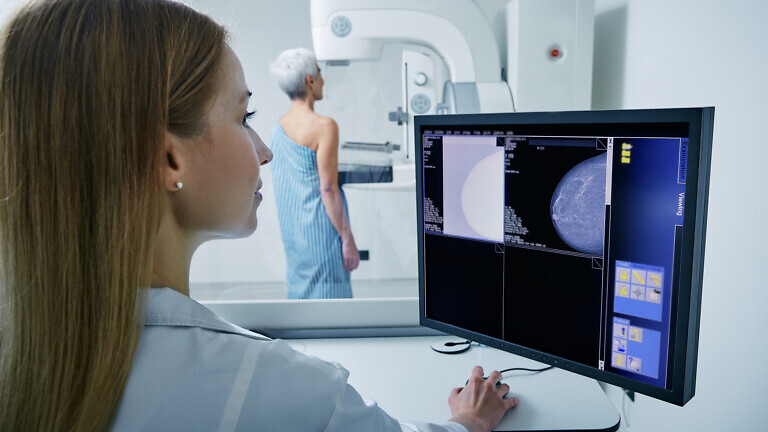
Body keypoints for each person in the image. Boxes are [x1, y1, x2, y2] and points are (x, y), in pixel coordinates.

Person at [0, 0, 519, 431]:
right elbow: (330, 188)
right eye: (242, 116)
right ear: (168, 158)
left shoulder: (29, 349)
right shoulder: (287, 393)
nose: (262, 151)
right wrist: (469, 423)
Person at [269, 48, 358, 299]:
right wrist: (347, 238)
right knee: (332, 313)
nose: (323, 80)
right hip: (322, 235)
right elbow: (328, 190)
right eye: (319, 73)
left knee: (304, 312)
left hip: (296, 240)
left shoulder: (278, 129)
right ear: (310, 80)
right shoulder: (324, 127)